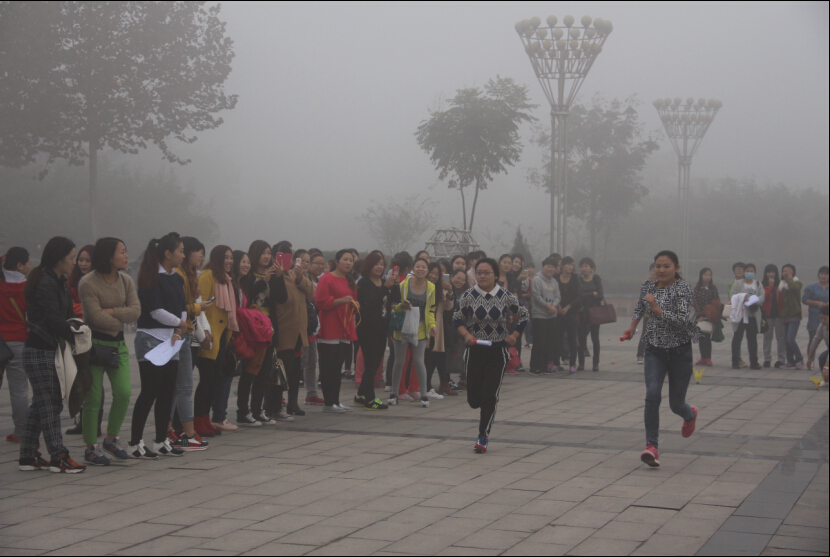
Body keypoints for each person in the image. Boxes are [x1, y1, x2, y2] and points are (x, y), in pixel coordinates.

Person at [622, 250, 699, 468]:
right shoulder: (648, 286)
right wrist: (632, 327)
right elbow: (640, 306)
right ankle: (651, 446)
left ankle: (689, 415)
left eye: (666, 266)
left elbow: (682, 319)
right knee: (652, 393)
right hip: (654, 350)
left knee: (676, 404)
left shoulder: (683, 288)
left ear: (676, 268)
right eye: (658, 266)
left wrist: (656, 308)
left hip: (680, 352)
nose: (661, 270)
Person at [18, 236, 86, 473]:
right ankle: (59, 456)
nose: (74, 262)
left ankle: (27, 455)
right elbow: (54, 319)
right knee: (50, 404)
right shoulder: (45, 282)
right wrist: (77, 336)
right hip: (39, 351)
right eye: (71, 258)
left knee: (42, 404)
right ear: (58, 259)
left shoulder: (58, 281)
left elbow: (66, 315)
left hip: (49, 349)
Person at [78, 238, 143, 465]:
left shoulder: (125, 281)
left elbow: (135, 311)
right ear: (108, 256)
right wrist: (120, 318)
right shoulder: (88, 283)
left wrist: (113, 311)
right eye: (122, 252)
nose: (126, 256)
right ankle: (90, 447)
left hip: (118, 346)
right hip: (94, 347)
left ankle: (111, 439)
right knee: (93, 398)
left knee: (124, 393)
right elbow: (94, 316)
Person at [454, 258, 528, 454]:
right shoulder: (469, 295)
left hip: (497, 350)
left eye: (487, 273)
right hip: (474, 350)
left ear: (495, 275)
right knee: (473, 400)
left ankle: (483, 436)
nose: (482, 276)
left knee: (490, 395)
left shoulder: (505, 295)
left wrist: (515, 335)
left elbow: (524, 314)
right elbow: (457, 318)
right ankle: (479, 404)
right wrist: (466, 334)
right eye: (479, 272)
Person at [130, 233, 188, 459]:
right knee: (150, 391)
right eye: (180, 251)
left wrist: (178, 329)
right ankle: (135, 442)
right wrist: (180, 324)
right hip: (151, 339)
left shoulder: (177, 279)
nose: (183, 255)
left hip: (171, 340)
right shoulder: (151, 277)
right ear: (167, 254)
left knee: (167, 392)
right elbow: (156, 311)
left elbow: (182, 307)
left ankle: (161, 440)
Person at [171, 237, 216, 443]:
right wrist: (201, 333)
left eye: (203, 253)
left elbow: (198, 309)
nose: (201, 257)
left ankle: (181, 427)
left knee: (183, 386)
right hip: (183, 334)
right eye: (198, 252)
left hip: (192, 334)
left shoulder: (191, 276)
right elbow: (188, 308)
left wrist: (205, 332)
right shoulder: (178, 276)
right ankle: (179, 428)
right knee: (182, 387)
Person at [238, 240, 287, 426]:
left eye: (269, 253)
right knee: (249, 371)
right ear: (255, 254)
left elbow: (282, 298)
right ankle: (243, 411)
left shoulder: (273, 274)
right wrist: (264, 280)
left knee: (264, 371)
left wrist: (278, 277)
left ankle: (258, 411)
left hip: (268, 327)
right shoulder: (248, 275)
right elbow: (248, 295)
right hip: (252, 327)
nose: (267, 256)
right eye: (263, 253)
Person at [196, 245, 242, 427]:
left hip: (223, 335)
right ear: (217, 258)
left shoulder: (227, 279)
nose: (229, 261)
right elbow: (201, 306)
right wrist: (204, 333)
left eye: (231, 258)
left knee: (215, 380)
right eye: (225, 257)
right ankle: (200, 419)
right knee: (207, 381)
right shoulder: (208, 276)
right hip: (209, 336)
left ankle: (207, 420)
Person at [273, 242, 315, 419]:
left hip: (298, 331)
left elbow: (311, 292)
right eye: (282, 255)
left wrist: (300, 277)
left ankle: (292, 403)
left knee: (295, 369)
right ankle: (275, 405)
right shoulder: (276, 276)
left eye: (289, 255)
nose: (286, 259)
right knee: (281, 369)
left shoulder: (294, 275)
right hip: (284, 329)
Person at [315, 249, 359, 413]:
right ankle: (328, 402)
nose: (348, 263)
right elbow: (320, 302)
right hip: (330, 326)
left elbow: (353, 301)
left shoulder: (350, 280)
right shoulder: (327, 278)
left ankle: (336, 401)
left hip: (344, 327)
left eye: (351, 260)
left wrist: (355, 305)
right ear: (337, 261)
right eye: (345, 259)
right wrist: (341, 301)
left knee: (338, 366)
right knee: (329, 366)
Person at [389, 258, 437, 408]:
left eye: (424, 267)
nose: (421, 269)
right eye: (418, 266)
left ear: (427, 271)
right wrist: (402, 307)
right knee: (399, 361)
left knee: (418, 361)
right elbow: (394, 305)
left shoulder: (431, 287)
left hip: (420, 328)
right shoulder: (404, 285)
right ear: (413, 269)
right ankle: (394, 394)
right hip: (402, 327)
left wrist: (432, 326)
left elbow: (430, 310)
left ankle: (423, 395)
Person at [65, 244, 100, 436]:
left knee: (93, 381)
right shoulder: (72, 281)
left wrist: (81, 308)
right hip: (77, 336)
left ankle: (94, 423)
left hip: (94, 336)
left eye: (88, 260)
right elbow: (69, 308)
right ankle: (83, 420)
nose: (83, 264)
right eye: (80, 260)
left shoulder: (98, 281)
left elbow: (95, 308)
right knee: (82, 379)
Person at [355, 252, 395, 410]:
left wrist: (395, 286)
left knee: (376, 362)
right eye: (376, 264)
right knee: (371, 362)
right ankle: (370, 399)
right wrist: (385, 288)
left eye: (382, 264)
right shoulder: (363, 283)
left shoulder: (384, 281)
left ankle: (360, 395)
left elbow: (394, 300)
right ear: (369, 265)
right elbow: (370, 301)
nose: (379, 267)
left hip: (382, 326)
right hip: (367, 327)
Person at [1, 247, 31, 445]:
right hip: (19, 341)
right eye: (27, 263)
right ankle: (20, 432)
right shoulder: (28, 288)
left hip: (0, 341)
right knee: (19, 390)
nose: (29, 266)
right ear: (19, 265)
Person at [424, 262, 453, 397]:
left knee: (434, 356)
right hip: (423, 326)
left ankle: (430, 384)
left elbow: (448, 307)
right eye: (432, 272)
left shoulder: (440, 289)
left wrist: (450, 292)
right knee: (425, 356)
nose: (433, 276)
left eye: (437, 274)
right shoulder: (421, 286)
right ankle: (424, 384)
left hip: (437, 326)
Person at [730, 263, 764, 370]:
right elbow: (732, 295)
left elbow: (762, 296)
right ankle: (735, 361)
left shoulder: (758, 283)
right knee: (737, 337)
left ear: (755, 272)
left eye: (751, 271)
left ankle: (754, 362)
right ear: (744, 272)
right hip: (740, 314)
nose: (749, 273)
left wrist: (753, 300)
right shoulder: (738, 283)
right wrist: (742, 299)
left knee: (752, 339)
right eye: (747, 271)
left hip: (752, 315)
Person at [529, 257, 560, 376]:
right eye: (548, 266)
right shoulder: (537, 279)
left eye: (552, 267)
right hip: (539, 316)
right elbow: (536, 296)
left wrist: (554, 306)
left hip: (551, 316)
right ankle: (535, 367)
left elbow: (558, 296)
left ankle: (545, 366)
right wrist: (548, 307)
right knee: (539, 342)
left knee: (549, 342)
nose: (550, 269)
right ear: (543, 267)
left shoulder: (554, 281)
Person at [303, 251, 326, 406]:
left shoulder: (322, 281)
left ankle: (311, 393)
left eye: (322, 263)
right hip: (304, 325)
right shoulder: (302, 280)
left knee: (312, 360)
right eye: (317, 263)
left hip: (315, 326)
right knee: (301, 360)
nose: (320, 266)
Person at [554, 256, 581, 373]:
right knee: (558, 338)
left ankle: (572, 364)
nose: (571, 267)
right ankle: (556, 363)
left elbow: (579, 296)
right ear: (562, 265)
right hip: (559, 312)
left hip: (572, 312)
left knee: (572, 339)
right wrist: (558, 305)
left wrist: (568, 307)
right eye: (568, 264)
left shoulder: (575, 278)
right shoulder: (555, 278)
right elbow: (553, 293)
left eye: (572, 265)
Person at [577, 257, 603, 372]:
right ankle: (581, 363)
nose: (583, 268)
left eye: (586, 266)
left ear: (591, 268)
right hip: (582, 313)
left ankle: (596, 363)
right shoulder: (578, 280)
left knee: (595, 338)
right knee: (581, 338)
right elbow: (579, 295)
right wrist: (592, 293)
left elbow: (601, 295)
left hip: (595, 312)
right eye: (582, 266)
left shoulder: (596, 279)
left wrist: (587, 295)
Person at [692, 267, 720, 366]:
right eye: (706, 275)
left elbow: (716, 301)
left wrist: (712, 313)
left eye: (709, 275)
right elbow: (695, 302)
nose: (708, 277)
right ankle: (703, 358)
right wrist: (699, 314)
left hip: (709, 316)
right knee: (701, 337)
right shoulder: (697, 288)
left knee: (707, 337)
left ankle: (708, 358)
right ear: (701, 276)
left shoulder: (713, 288)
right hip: (699, 316)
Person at [779, 264, 804, 369]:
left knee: (790, 339)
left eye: (788, 271)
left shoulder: (797, 282)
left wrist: (789, 278)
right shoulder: (781, 285)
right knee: (786, 340)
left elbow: (794, 289)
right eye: (784, 271)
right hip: (784, 315)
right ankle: (790, 361)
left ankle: (799, 359)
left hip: (794, 315)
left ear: (793, 272)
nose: (785, 273)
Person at [761, 264, 786, 368]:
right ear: (765, 273)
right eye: (769, 272)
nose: (771, 274)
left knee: (780, 337)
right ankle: (767, 359)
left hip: (779, 315)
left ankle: (781, 359)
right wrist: (770, 285)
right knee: (767, 337)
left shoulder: (781, 284)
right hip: (767, 315)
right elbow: (764, 296)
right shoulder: (762, 284)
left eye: (773, 272)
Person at [802, 266, 829, 357]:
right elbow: (804, 300)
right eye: (822, 274)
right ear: (818, 275)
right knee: (813, 340)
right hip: (814, 317)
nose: (824, 276)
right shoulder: (811, 287)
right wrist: (816, 303)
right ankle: (810, 360)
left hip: (828, 318)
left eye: (826, 274)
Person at [636, 263, 657, 364]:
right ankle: (640, 355)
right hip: (648, 314)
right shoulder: (646, 283)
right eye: (653, 270)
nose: (655, 272)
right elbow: (643, 298)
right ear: (650, 271)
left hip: (659, 314)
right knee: (645, 334)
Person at [806, 305, 829, 387]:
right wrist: (809, 358)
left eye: (825, 318)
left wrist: (826, 367)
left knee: (826, 362)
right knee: (822, 358)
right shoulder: (822, 326)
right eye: (821, 318)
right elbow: (815, 341)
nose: (822, 320)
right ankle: (826, 380)